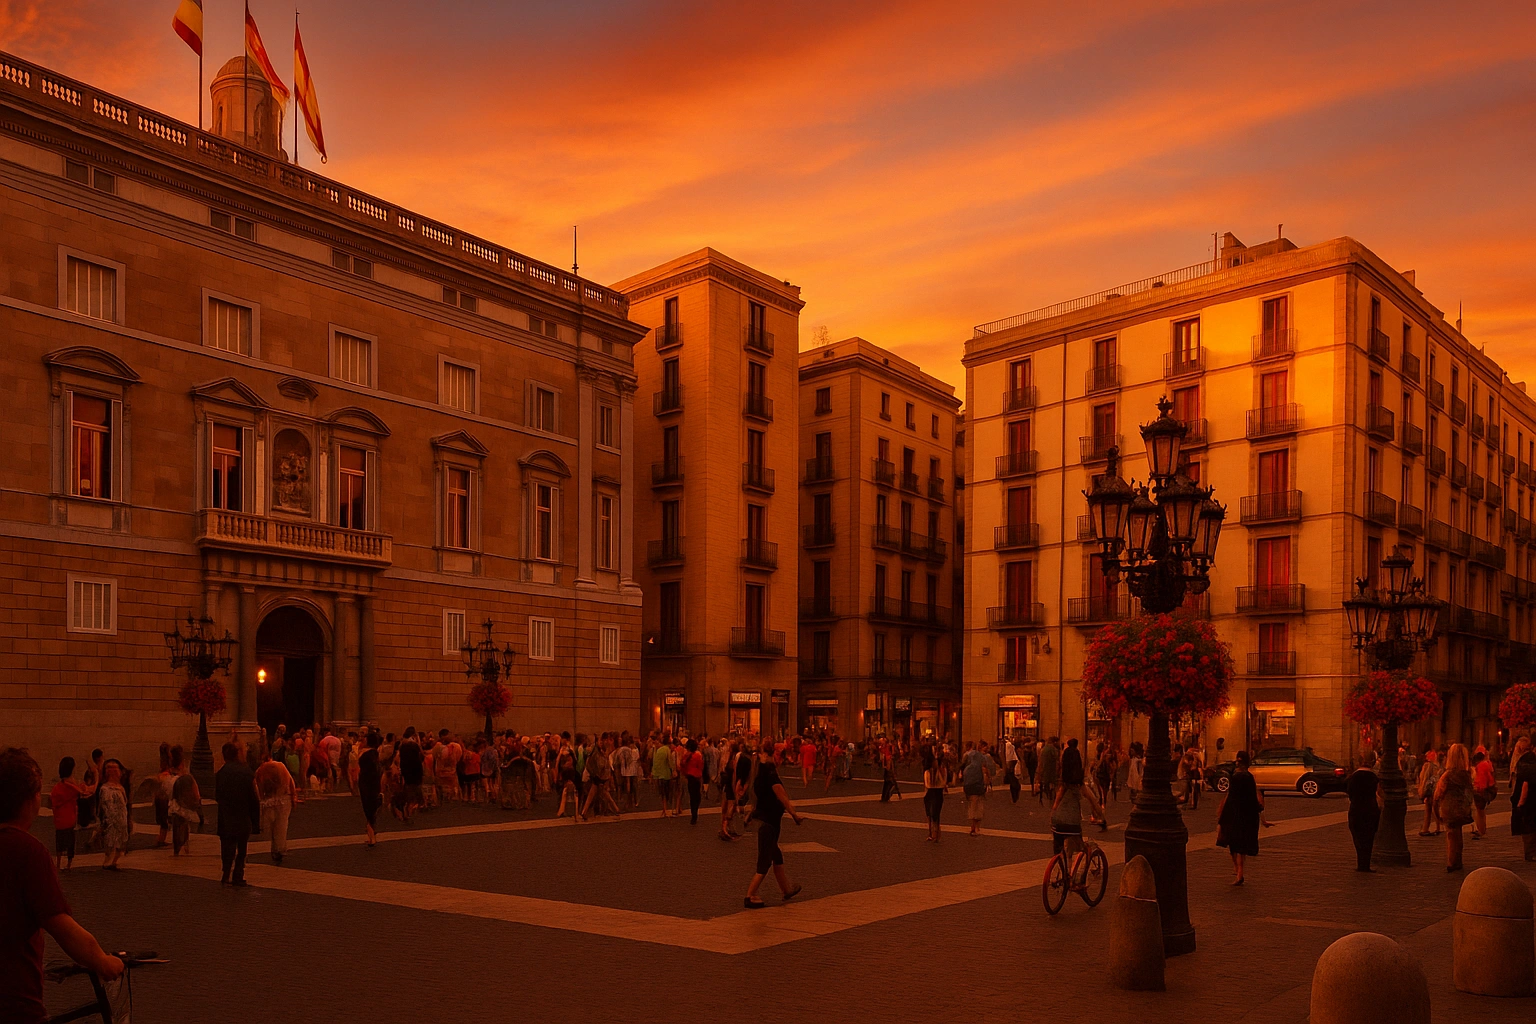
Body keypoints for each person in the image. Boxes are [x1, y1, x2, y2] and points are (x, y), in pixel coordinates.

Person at [0, 748, 123, 1024]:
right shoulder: (26, 851)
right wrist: (103, 961)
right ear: (31, 800)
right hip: (14, 1002)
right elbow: (61, 926)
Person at [744, 739, 804, 908]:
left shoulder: (760, 772)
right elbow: (781, 794)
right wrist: (793, 814)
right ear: (774, 755)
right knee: (764, 863)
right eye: (780, 755)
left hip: (766, 821)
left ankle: (786, 890)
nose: (781, 759)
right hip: (769, 823)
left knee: (777, 857)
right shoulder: (770, 773)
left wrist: (751, 813)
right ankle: (750, 895)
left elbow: (758, 798)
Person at [1215, 750, 1271, 884]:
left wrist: (1221, 814)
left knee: (1232, 843)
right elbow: (1253, 798)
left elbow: (1230, 796)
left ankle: (1237, 870)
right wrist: (1262, 817)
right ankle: (1239, 872)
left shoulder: (1236, 777)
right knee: (1241, 846)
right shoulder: (1249, 777)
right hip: (1247, 814)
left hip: (1233, 813)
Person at [215, 742, 259, 887]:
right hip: (242, 816)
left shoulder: (221, 773)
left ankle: (226, 872)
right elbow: (254, 798)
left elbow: (217, 796)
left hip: (226, 816)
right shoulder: (247, 772)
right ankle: (238, 875)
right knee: (241, 848)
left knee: (227, 846)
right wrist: (256, 821)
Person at [1433, 743, 1475, 872]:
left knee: (1451, 836)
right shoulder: (1466, 775)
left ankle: (1452, 862)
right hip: (1462, 808)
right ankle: (1458, 860)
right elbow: (1470, 792)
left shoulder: (1448, 775)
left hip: (1449, 809)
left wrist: (1435, 808)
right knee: (1458, 834)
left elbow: (1438, 793)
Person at [49, 757, 95, 871]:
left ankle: (58, 864)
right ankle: (68, 864)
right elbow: (89, 792)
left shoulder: (57, 787)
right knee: (70, 842)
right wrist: (96, 774)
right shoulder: (73, 787)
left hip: (59, 819)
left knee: (59, 841)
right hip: (69, 818)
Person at [254, 749, 295, 865]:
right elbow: (291, 782)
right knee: (281, 825)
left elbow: (258, 789)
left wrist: (261, 801)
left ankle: (275, 849)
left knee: (272, 826)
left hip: (269, 801)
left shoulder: (260, 770)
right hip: (284, 799)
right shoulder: (281, 766)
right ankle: (279, 848)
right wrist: (293, 797)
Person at [1345, 749, 1382, 872]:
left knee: (1358, 837)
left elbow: (1349, 793)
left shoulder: (1353, 778)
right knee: (1369, 838)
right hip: (1371, 809)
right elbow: (1379, 793)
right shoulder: (1374, 777)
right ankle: (1366, 864)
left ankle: (1360, 863)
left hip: (1356, 809)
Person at [96, 760, 131, 871]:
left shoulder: (120, 787)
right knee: (110, 841)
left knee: (119, 842)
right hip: (111, 819)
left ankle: (113, 861)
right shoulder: (105, 789)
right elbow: (105, 807)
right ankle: (108, 861)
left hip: (121, 819)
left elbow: (125, 804)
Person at [168, 746, 202, 856]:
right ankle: (183, 846)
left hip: (174, 805)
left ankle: (178, 848)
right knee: (183, 825)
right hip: (182, 805)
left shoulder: (170, 775)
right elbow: (195, 792)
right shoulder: (186, 777)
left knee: (178, 826)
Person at [960, 741, 993, 836]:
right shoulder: (981, 768)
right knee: (978, 807)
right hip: (978, 788)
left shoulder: (968, 768)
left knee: (972, 806)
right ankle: (975, 827)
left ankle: (973, 826)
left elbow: (965, 779)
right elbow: (986, 777)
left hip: (969, 789)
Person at [1510, 741, 1536, 862]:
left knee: (1528, 826)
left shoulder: (1525, 763)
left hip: (1528, 800)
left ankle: (1530, 853)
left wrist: (1520, 801)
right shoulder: (1531, 760)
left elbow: (1525, 783)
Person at [357, 732, 383, 847]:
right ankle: (371, 833)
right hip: (372, 780)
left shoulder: (367, 753)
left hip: (366, 781)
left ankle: (371, 835)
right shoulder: (374, 753)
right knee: (369, 807)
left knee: (368, 807)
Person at [921, 745, 946, 842]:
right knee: (929, 814)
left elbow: (943, 783)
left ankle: (936, 833)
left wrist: (937, 774)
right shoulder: (928, 772)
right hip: (930, 793)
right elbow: (928, 784)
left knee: (936, 814)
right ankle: (931, 833)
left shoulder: (942, 771)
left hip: (937, 793)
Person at [1470, 749, 1496, 840]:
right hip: (1487, 789)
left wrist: (1478, 789)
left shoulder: (1481, 766)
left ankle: (1481, 831)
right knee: (1482, 812)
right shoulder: (1487, 764)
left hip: (1481, 790)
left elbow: (1481, 780)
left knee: (1479, 812)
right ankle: (1482, 830)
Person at [1417, 747, 1442, 836]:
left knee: (1430, 810)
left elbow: (1424, 779)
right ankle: (1435, 827)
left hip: (1429, 790)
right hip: (1434, 790)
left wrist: (1422, 790)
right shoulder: (1436, 766)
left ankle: (1427, 828)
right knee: (1434, 809)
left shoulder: (1427, 766)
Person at [681, 738, 705, 824]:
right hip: (696, 777)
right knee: (697, 797)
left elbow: (682, 766)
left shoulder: (685, 756)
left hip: (690, 777)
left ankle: (693, 814)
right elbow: (701, 767)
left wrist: (685, 774)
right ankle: (695, 812)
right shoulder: (698, 756)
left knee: (692, 796)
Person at [652, 737, 675, 817]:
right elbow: (670, 762)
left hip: (659, 775)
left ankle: (664, 808)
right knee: (667, 792)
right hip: (666, 774)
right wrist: (673, 771)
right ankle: (666, 809)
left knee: (662, 794)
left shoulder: (658, 751)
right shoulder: (666, 750)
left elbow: (655, 763)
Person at [1036, 736, 1060, 804]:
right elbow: (1057, 760)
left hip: (1044, 770)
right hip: (1050, 770)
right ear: (1054, 742)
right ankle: (1051, 796)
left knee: (1046, 783)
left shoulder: (1044, 748)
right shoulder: (1053, 749)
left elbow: (1040, 761)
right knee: (1052, 784)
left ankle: (1047, 794)